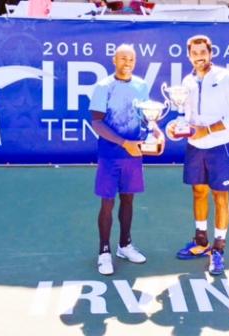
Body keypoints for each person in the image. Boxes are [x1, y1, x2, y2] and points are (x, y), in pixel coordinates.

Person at [169, 35, 229, 276]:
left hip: (219, 145)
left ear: (210, 53)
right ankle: (201, 241)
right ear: (189, 55)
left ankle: (219, 249)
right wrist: (176, 128)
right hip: (194, 146)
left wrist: (210, 130)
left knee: (220, 197)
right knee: (198, 192)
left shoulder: (225, 78)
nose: (199, 56)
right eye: (194, 53)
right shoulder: (187, 81)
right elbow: (185, 116)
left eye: (203, 52)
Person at [90, 44, 163, 275]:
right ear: (114, 60)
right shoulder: (103, 86)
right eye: (122, 58)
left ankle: (124, 245)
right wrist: (124, 144)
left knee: (128, 201)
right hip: (111, 154)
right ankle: (104, 252)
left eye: (131, 59)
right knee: (107, 203)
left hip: (134, 155)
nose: (127, 62)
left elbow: (145, 119)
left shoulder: (141, 85)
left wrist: (155, 131)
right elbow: (97, 123)